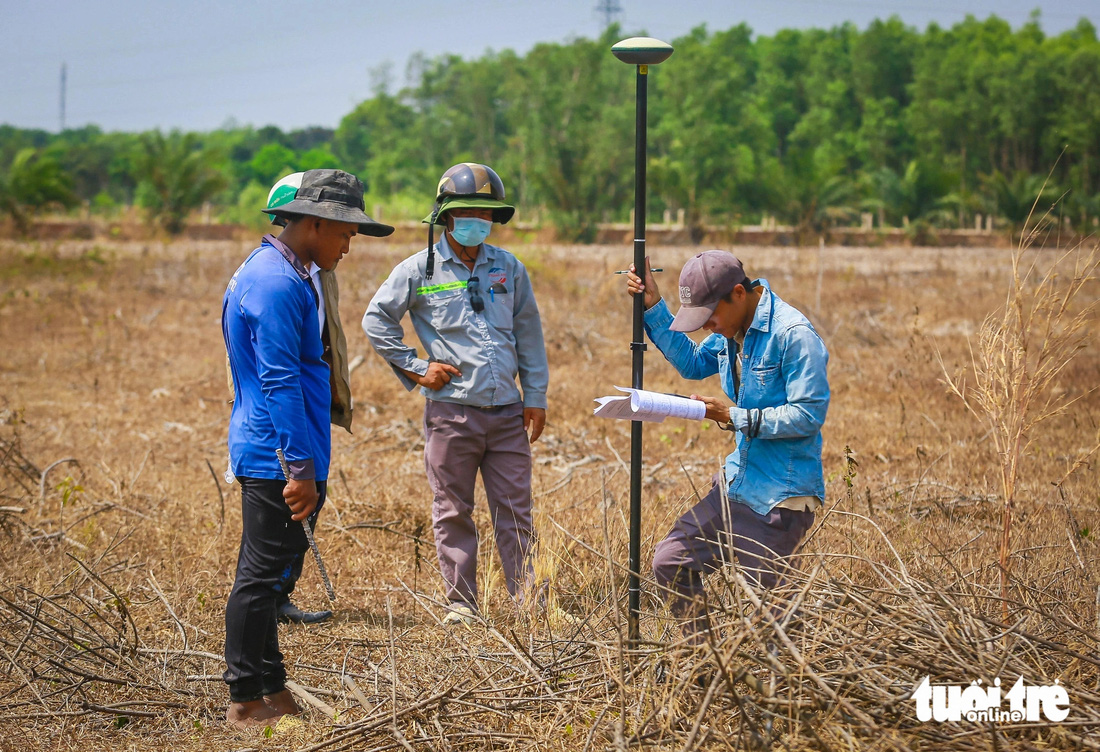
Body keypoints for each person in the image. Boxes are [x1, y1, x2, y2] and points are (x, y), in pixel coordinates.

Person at [221, 169, 393, 728]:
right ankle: (246, 697)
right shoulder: (274, 284)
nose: (348, 245)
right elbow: (279, 381)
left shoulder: (292, 275)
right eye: (345, 233)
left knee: (269, 575)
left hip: (289, 447)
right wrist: (298, 467)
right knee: (260, 575)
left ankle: (273, 687)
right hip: (276, 451)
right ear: (315, 222)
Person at [363, 162, 549, 626]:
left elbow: (529, 334)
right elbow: (376, 321)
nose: (477, 221)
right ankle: (462, 605)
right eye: (467, 212)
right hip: (451, 415)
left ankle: (528, 602)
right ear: (445, 216)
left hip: (507, 414)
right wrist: (418, 368)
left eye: (485, 214)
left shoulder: (508, 268)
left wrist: (536, 395)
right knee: (454, 511)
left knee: (515, 510)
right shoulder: (418, 268)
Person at [625, 251, 829, 643]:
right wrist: (653, 305)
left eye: (710, 318)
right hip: (736, 486)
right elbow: (690, 361)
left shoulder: (793, 336)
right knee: (673, 561)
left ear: (738, 293)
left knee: (775, 620)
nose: (709, 329)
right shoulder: (729, 334)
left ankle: (791, 689)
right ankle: (706, 661)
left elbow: (807, 416)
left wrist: (733, 416)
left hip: (779, 499)